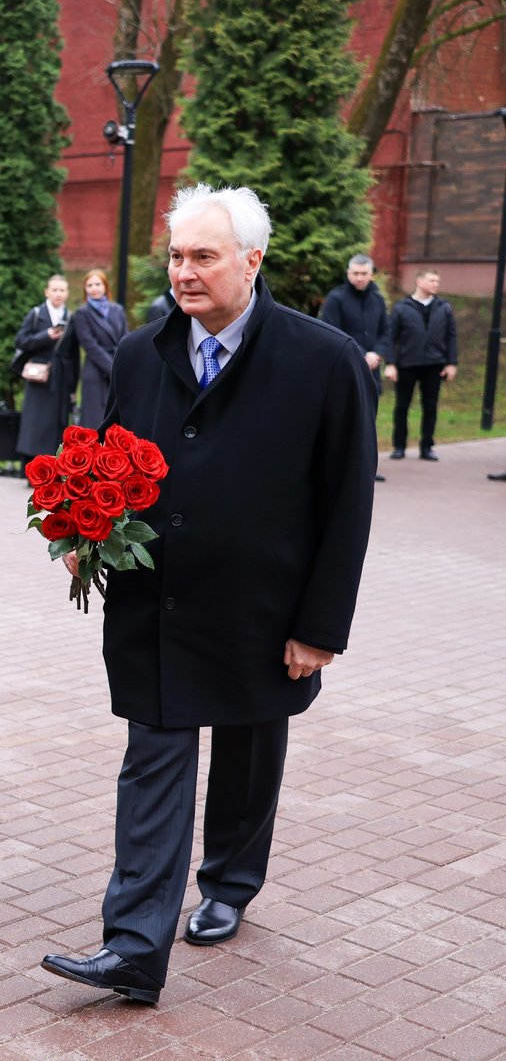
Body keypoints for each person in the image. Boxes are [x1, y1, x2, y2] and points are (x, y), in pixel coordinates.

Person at [39, 185, 375, 1006]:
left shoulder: (321, 358)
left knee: (249, 753)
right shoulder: (144, 348)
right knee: (152, 758)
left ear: (251, 261)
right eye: (177, 257)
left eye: (204, 257)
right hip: (158, 603)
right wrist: (87, 533)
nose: (184, 273)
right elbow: (110, 458)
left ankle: (228, 881)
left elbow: (348, 501)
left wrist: (320, 626)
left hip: (267, 613)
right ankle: (133, 945)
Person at [319, 254, 388, 481]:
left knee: (368, 419)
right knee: (342, 418)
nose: (359, 278)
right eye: (355, 273)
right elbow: (332, 331)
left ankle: (366, 467)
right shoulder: (336, 299)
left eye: (364, 274)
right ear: (348, 273)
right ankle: (340, 468)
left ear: (371, 274)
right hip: (345, 368)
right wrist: (361, 354)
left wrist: (377, 352)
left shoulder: (377, 300)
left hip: (372, 369)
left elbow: (385, 332)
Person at [379, 269, 457, 461]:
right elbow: (391, 336)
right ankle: (399, 447)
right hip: (407, 364)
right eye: (432, 280)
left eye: (438, 281)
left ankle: (427, 447)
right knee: (402, 407)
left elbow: (451, 336)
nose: (436, 284)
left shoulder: (444, 307)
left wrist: (451, 363)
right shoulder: (402, 307)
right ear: (419, 282)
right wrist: (391, 363)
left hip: (434, 364)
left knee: (430, 407)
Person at [14, 273, 73, 464]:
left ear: (67, 293)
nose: (58, 294)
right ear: (46, 292)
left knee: (56, 423)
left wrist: (72, 384)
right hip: (38, 376)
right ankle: (30, 466)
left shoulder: (70, 316)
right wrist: (45, 336)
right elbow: (21, 341)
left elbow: (73, 352)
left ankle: (53, 467)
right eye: (54, 290)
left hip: (60, 376)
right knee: (35, 422)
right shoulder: (37, 314)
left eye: (62, 290)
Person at [58, 269, 125, 429]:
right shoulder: (82, 313)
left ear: (105, 286)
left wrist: (122, 365)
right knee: (94, 422)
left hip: (117, 366)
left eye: (97, 284)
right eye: (89, 285)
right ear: (85, 289)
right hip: (96, 372)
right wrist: (112, 368)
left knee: (118, 422)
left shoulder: (117, 310)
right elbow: (90, 345)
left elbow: (125, 339)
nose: (94, 288)